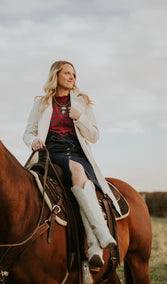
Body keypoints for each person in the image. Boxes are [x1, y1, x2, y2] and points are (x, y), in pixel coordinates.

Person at [23, 60, 121, 268]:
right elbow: (28, 132)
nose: (71, 77)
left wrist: (80, 118)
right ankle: (100, 235)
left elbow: (94, 136)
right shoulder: (41, 103)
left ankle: (95, 245)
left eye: (74, 75)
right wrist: (33, 141)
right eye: (67, 73)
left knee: (78, 170)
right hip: (51, 155)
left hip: (78, 155)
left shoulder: (82, 102)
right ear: (56, 75)